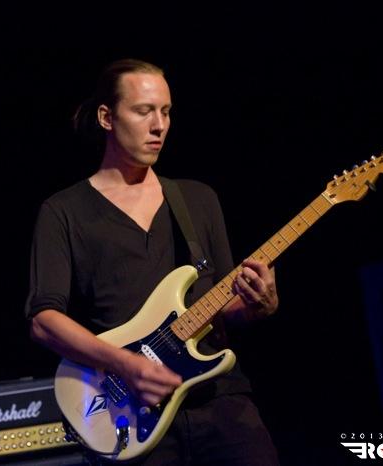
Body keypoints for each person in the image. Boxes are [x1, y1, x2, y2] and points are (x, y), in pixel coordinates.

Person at [25, 58, 280, 465]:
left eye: (166, 111)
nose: (159, 125)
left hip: (220, 401)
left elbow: (224, 309)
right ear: (107, 118)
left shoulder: (197, 199)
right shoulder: (63, 212)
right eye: (144, 111)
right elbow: (43, 320)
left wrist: (257, 305)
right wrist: (126, 364)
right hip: (131, 412)